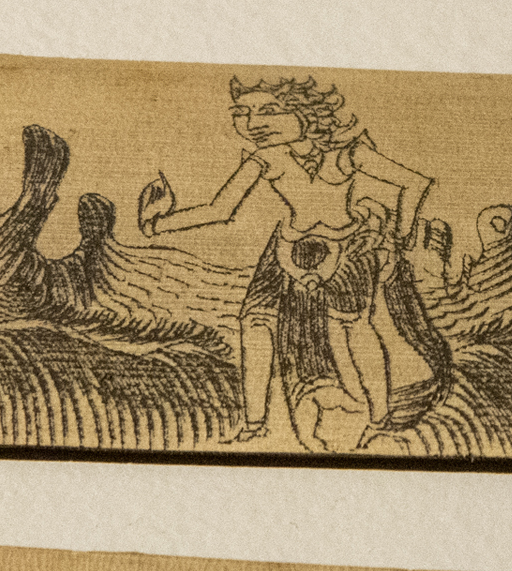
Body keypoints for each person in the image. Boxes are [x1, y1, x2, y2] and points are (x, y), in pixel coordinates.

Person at [137, 77, 449, 449]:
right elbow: (220, 209)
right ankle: (253, 425)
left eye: (269, 111)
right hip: (285, 246)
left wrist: (394, 237)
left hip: (347, 246)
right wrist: (157, 226)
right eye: (242, 112)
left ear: (307, 112)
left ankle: (379, 418)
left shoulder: (349, 153)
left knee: (356, 328)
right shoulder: (265, 157)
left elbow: (415, 183)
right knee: (255, 324)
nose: (252, 123)